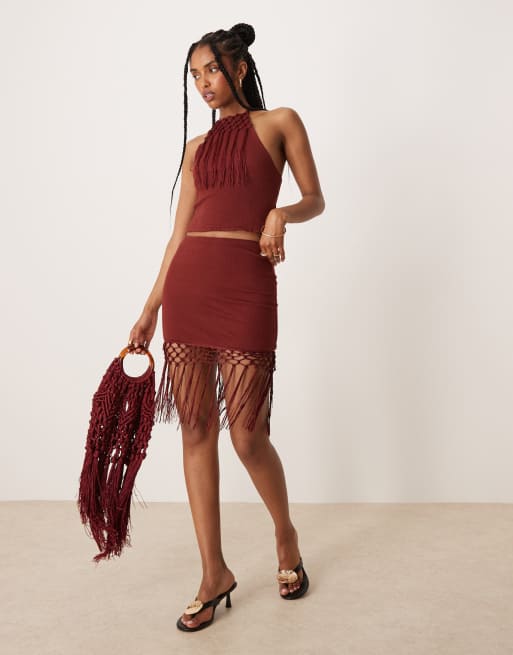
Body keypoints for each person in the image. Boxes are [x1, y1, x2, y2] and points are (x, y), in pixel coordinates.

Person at [128, 23, 325, 632]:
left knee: (247, 437)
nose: (203, 84)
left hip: (246, 288)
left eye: (211, 70)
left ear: (238, 68)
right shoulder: (196, 149)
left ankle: (285, 535)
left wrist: (280, 213)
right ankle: (214, 573)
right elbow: (178, 236)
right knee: (195, 431)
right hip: (189, 288)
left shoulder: (281, 122)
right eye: (194, 75)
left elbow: (315, 198)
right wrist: (149, 308)